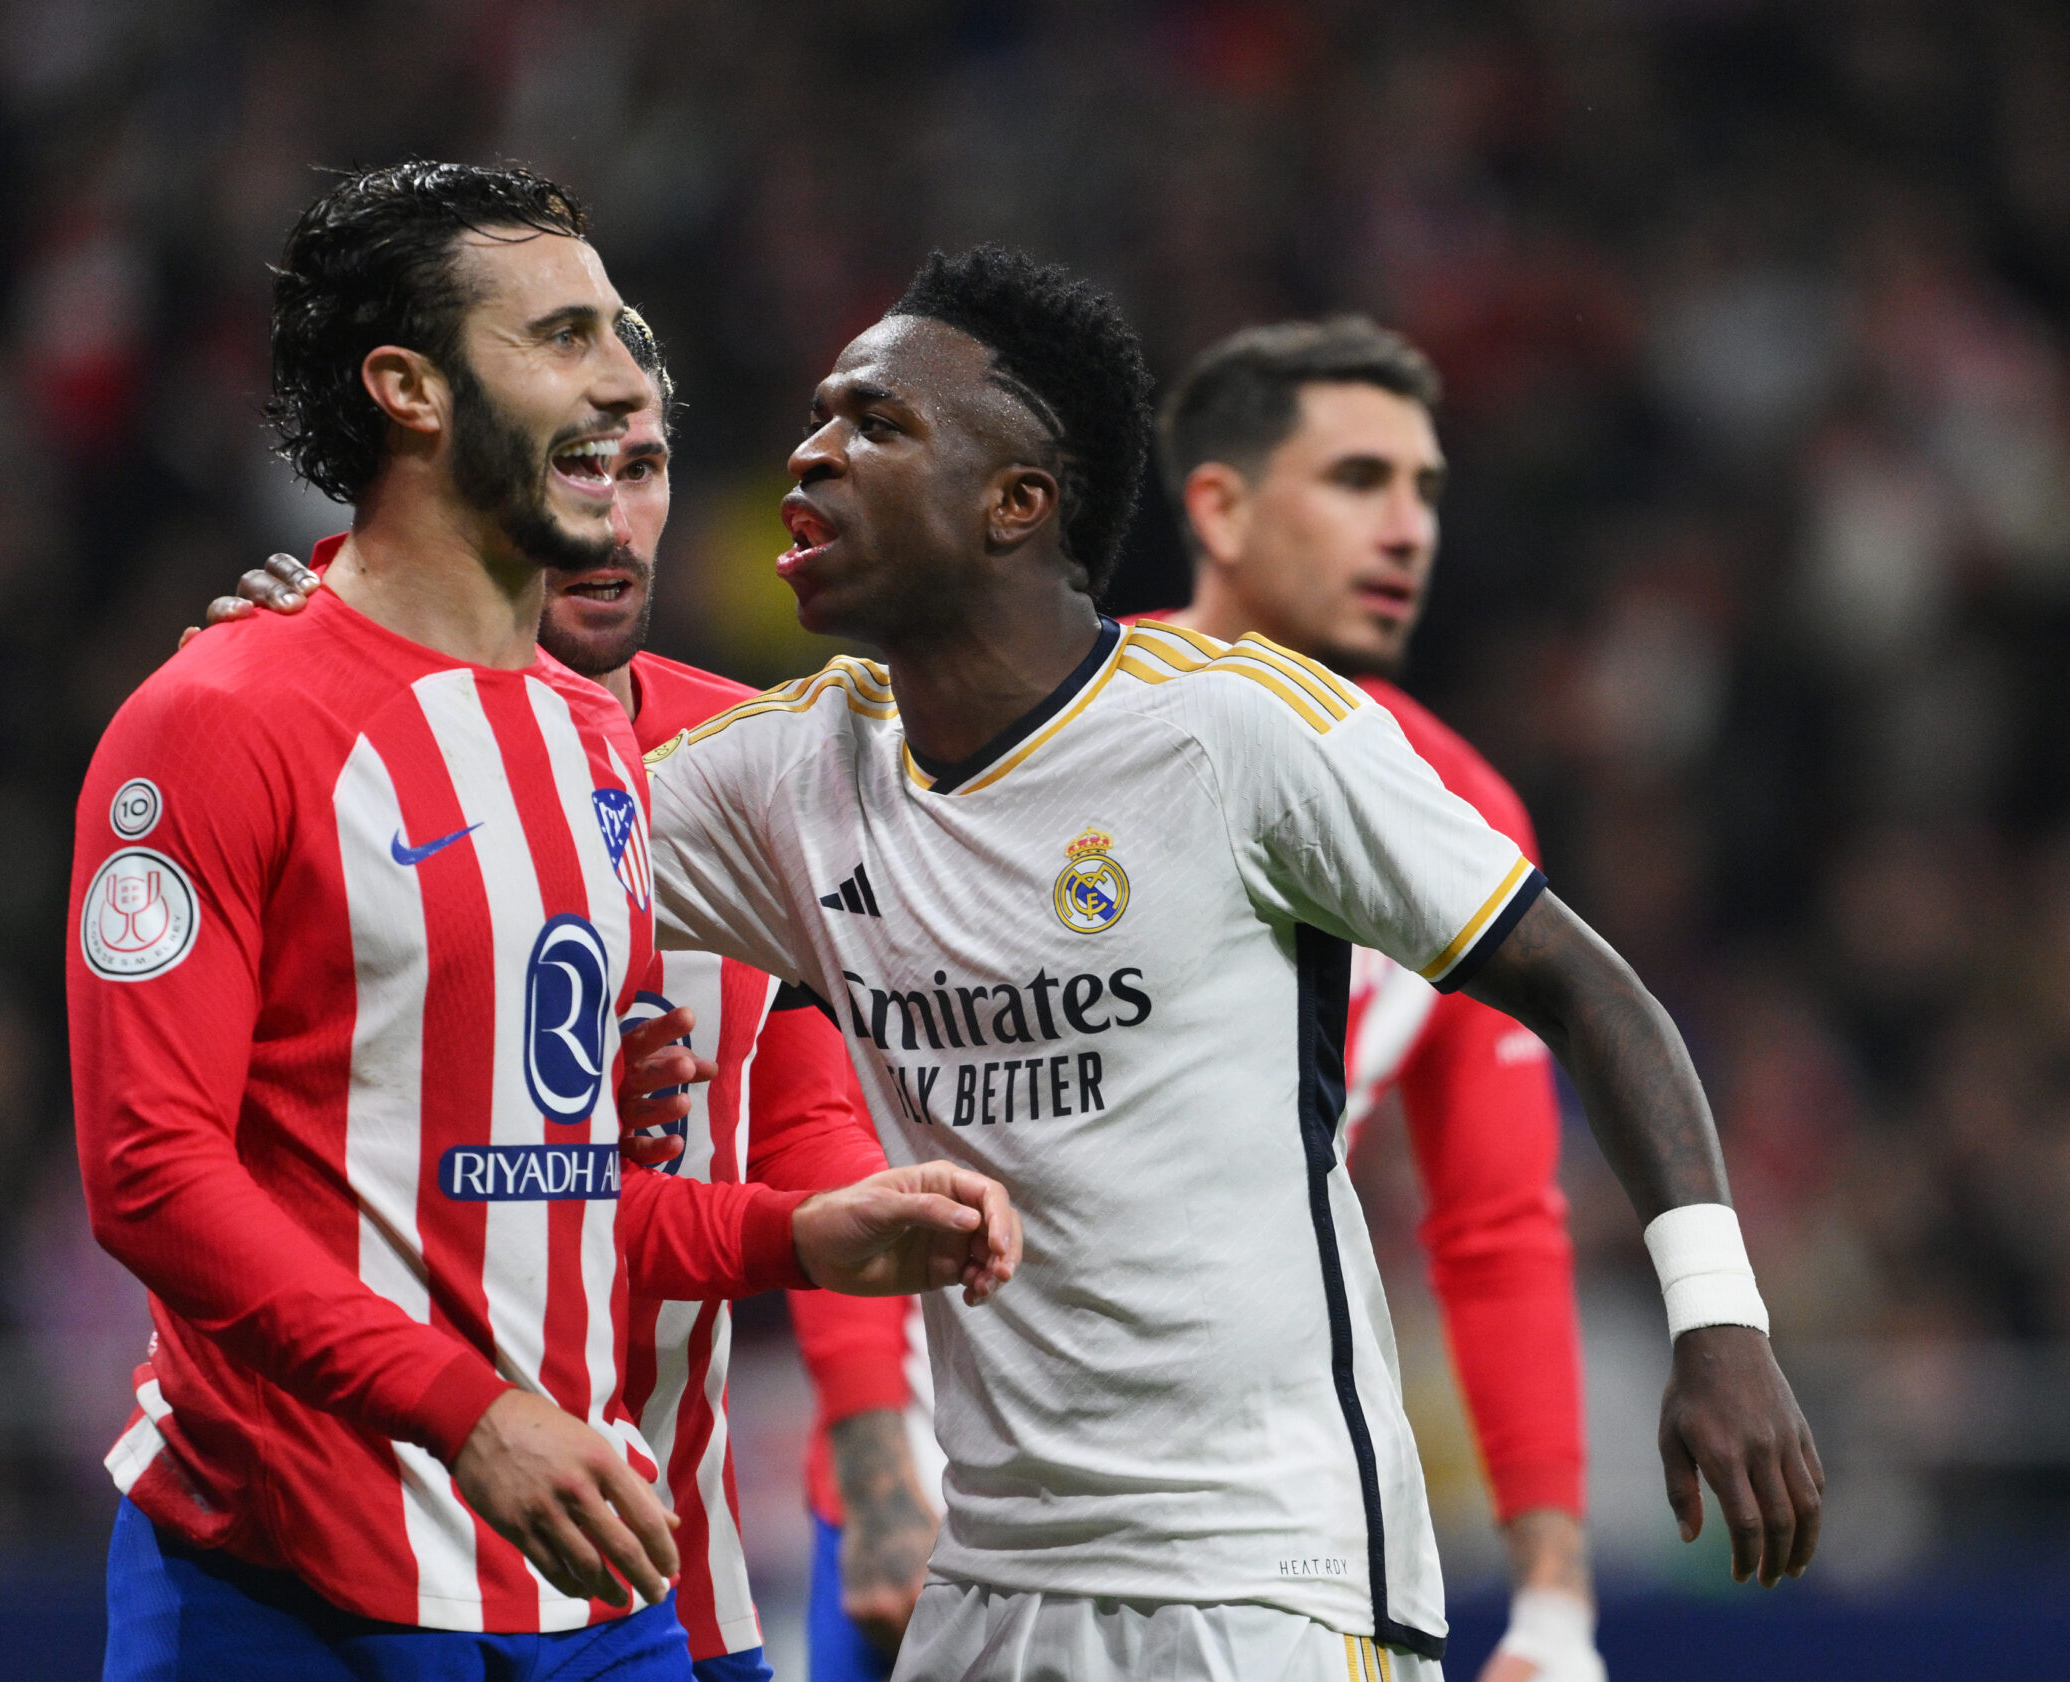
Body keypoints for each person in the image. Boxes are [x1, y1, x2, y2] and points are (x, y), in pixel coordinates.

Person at [640, 245, 1821, 1681]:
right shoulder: (793, 774)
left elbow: (1592, 990)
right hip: (990, 1582)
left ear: (1018, 503)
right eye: (823, 414)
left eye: (876, 422)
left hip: (1264, 1579)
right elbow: (498, 850)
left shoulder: (1235, 732)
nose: (813, 452)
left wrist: (1719, 1320)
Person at [70, 162, 1018, 1682]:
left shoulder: (598, 749)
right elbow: (149, 1178)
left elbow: (549, 1197)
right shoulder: (215, 717)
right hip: (286, 1577)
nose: (623, 380)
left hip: (586, 1576)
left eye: (625, 346)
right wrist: (471, 1414)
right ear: (409, 390)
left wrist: (797, 1231)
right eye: (564, 338)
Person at [1132, 317, 1599, 1682]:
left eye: (1427, 490)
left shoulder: (1464, 817)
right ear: (1218, 506)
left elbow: (1499, 1224)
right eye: (1358, 481)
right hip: (972, 1475)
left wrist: (1556, 1598)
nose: (1408, 529)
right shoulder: (1039, 727)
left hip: (1273, 1506)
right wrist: (876, 1450)